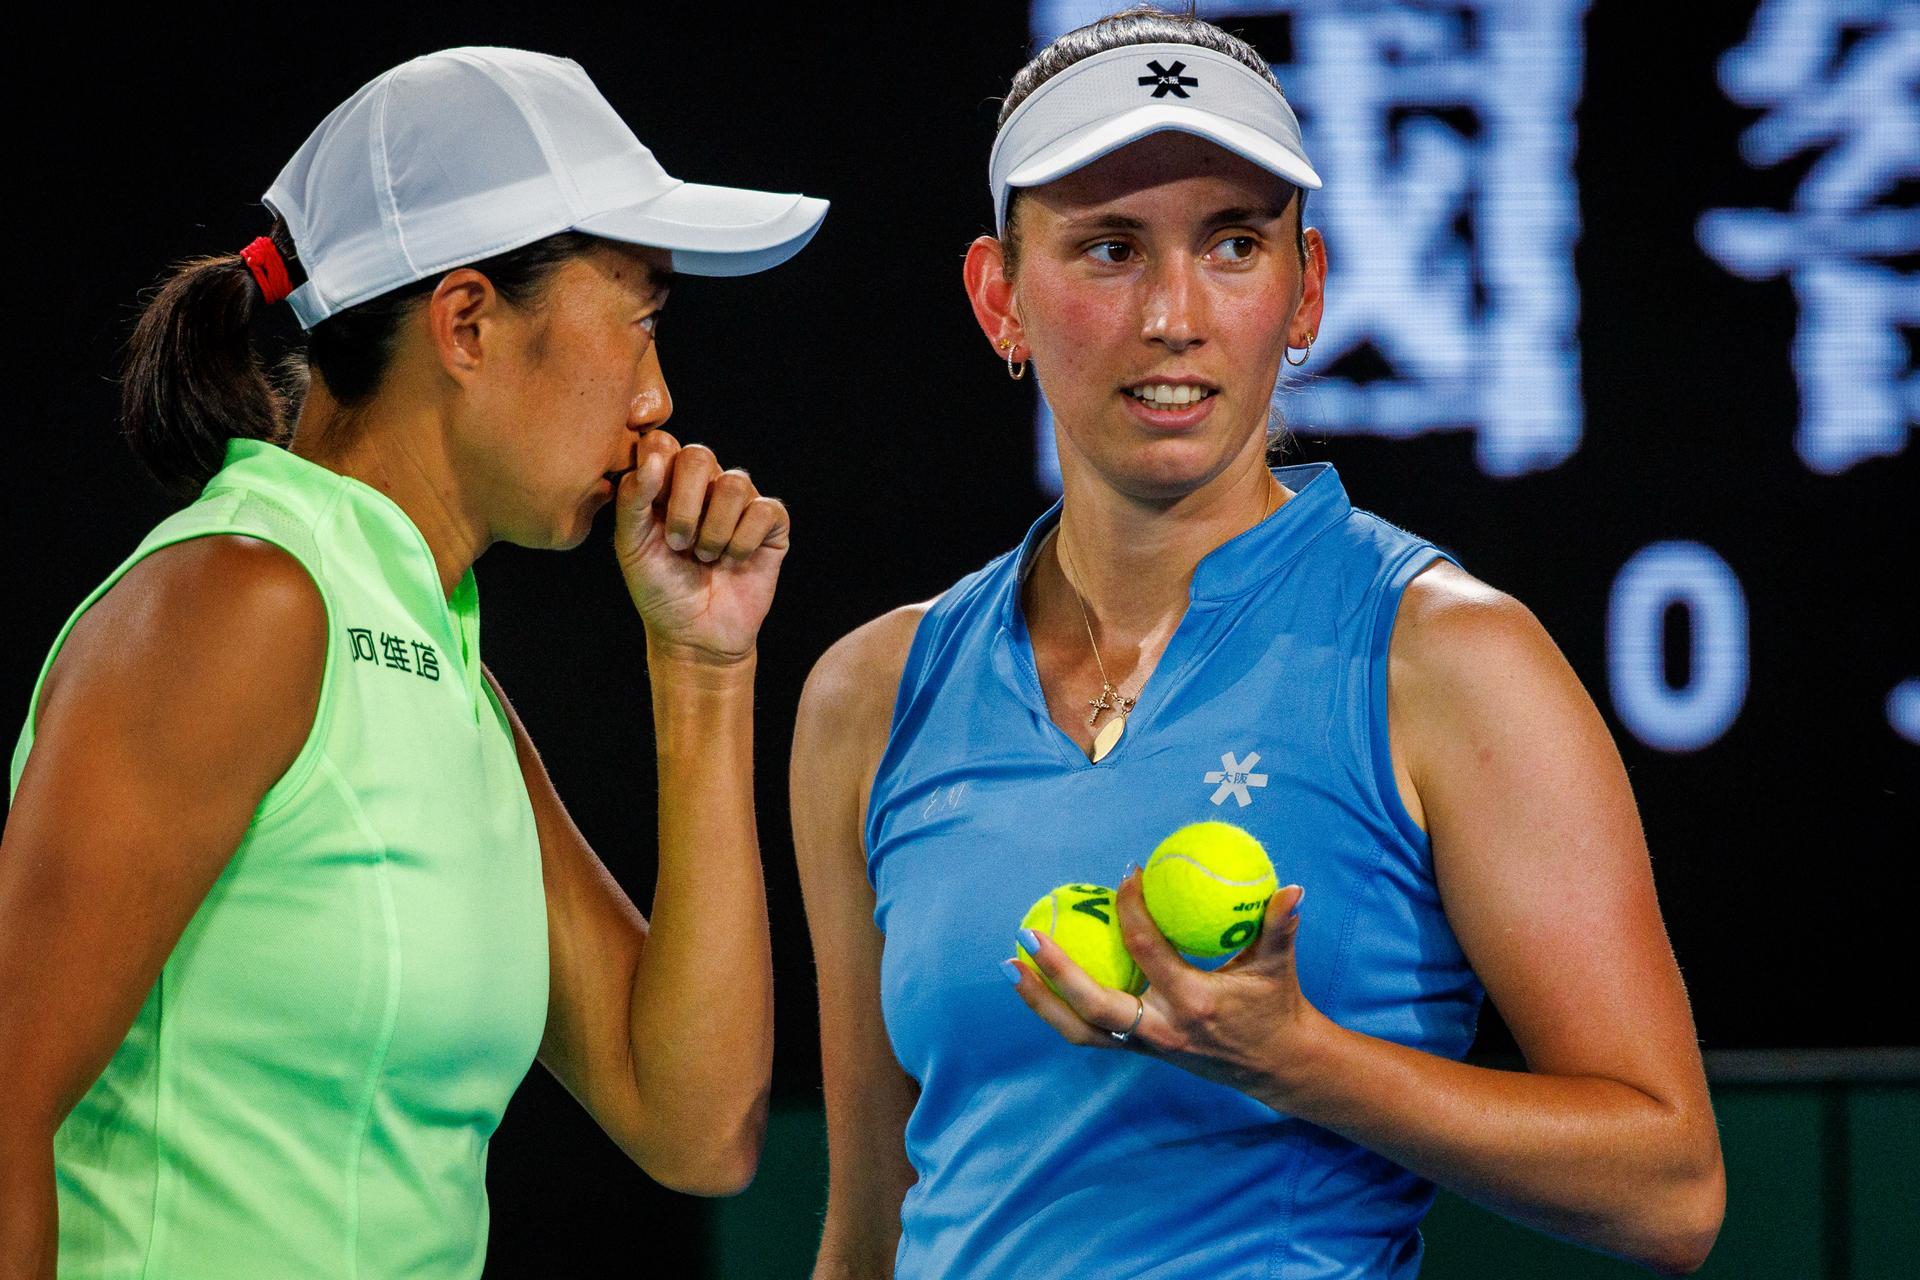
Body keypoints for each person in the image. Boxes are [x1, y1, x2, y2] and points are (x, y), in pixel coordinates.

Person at [792, 9, 1723, 1278]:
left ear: (1307, 291)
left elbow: (1671, 1188)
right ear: (998, 297)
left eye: (1232, 244)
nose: (1174, 314)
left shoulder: (1451, 660)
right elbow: (869, 1223)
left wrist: (1299, 1059)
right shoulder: (870, 694)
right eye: (1108, 248)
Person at [0, 47, 825, 1279]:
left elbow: (695, 1122)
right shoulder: (242, 601)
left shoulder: (448, 678)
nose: (659, 397)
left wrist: (704, 666)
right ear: (468, 323)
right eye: (641, 319)